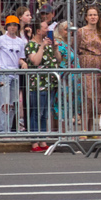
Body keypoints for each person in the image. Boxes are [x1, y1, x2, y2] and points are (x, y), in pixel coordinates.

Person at [24, 20, 62, 151]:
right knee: (36, 113)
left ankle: (43, 140)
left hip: (50, 83)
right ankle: (34, 141)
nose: (48, 31)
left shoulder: (49, 43)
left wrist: (55, 48)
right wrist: (42, 47)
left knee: (45, 114)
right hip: (37, 84)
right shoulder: (31, 45)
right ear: (38, 31)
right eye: (45, 28)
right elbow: (35, 61)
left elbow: (58, 60)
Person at [0, 14, 27, 133]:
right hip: (4, 74)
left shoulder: (20, 42)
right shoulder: (1, 39)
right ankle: (2, 130)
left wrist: (23, 63)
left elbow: (20, 57)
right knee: (4, 104)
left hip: (15, 74)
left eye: (15, 25)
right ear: (6, 26)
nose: (12, 27)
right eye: (10, 25)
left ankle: (9, 129)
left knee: (13, 104)